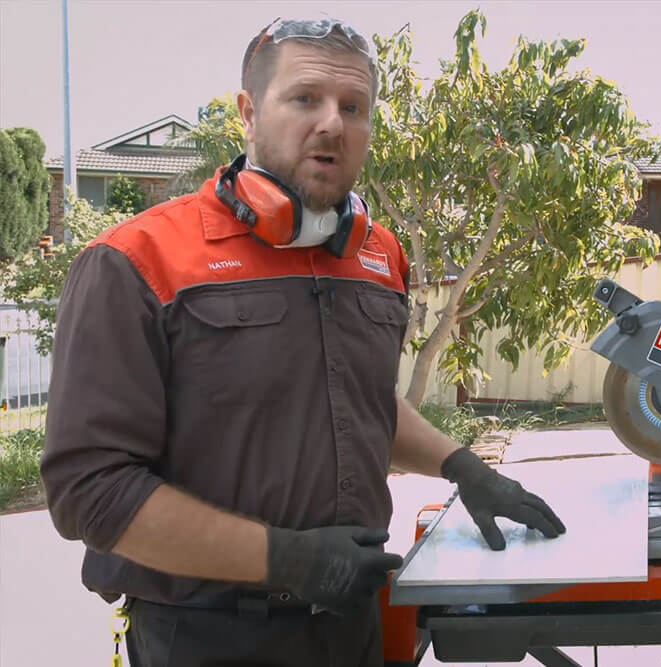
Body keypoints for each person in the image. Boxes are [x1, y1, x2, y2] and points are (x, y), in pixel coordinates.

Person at [40, 14, 565, 667]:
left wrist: (463, 466)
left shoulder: (379, 255)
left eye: (354, 106)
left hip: (355, 629)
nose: (333, 123)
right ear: (249, 111)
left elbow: (357, 398)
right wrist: (286, 557)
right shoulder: (136, 260)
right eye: (305, 98)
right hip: (206, 638)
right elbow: (91, 490)